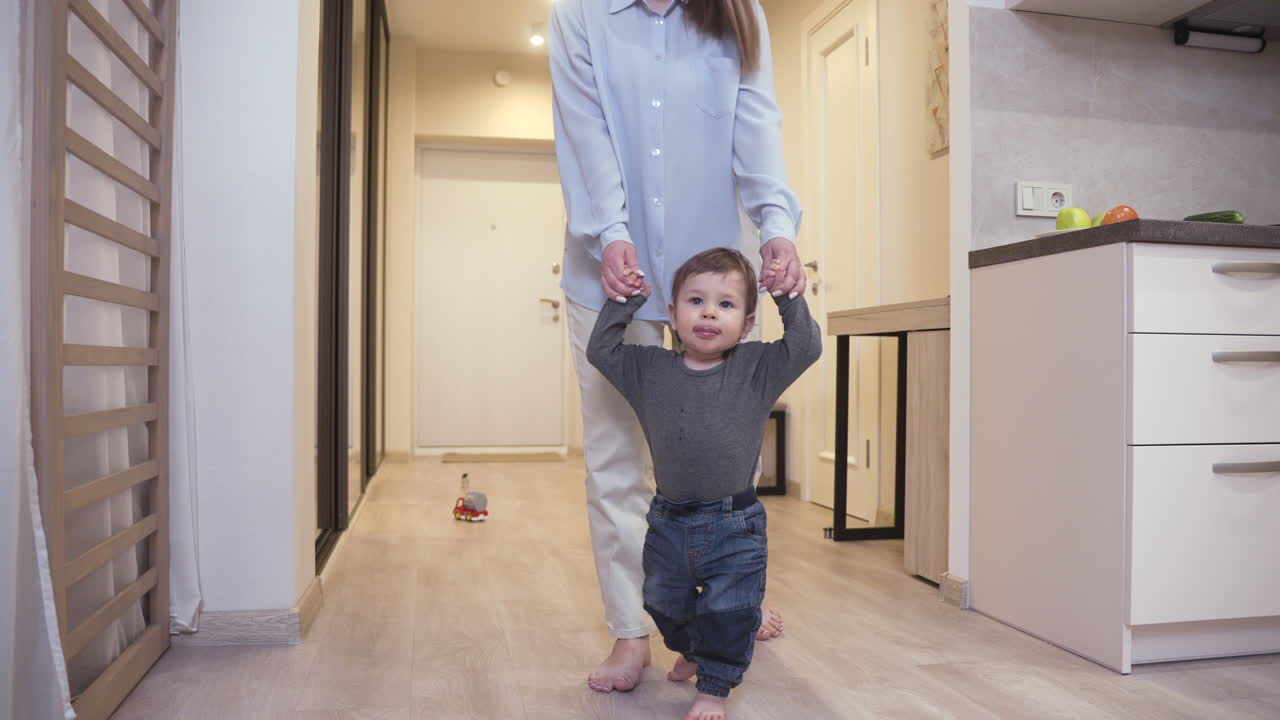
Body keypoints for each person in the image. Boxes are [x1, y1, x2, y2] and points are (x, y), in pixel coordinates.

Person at [549, 0, 806, 694]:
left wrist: (778, 223)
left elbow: (757, 128)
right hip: (612, 267)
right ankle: (632, 632)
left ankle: (727, 609)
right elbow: (585, 135)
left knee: (724, 459)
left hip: (712, 272)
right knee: (615, 460)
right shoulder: (581, 14)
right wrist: (610, 233)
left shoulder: (737, 12)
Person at [587, 248, 821, 720]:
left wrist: (786, 296)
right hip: (669, 521)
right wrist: (624, 302)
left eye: (726, 304)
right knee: (660, 600)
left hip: (735, 526)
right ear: (673, 315)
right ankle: (693, 648)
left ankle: (714, 688)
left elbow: (806, 346)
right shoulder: (650, 370)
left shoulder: (757, 367)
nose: (710, 311)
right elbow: (601, 351)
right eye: (696, 300)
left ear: (748, 322)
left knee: (730, 611)